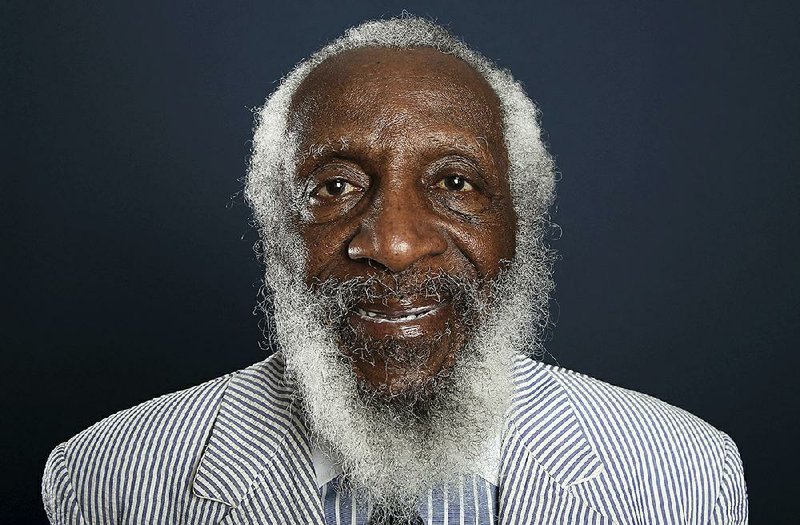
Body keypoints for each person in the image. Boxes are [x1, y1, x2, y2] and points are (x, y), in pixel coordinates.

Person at [41, 16, 748, 525]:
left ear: (520, 222)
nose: (397, 244)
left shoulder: (685, 474)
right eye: (336, 187)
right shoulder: (106, 481)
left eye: (455, 184)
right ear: (275, 225)